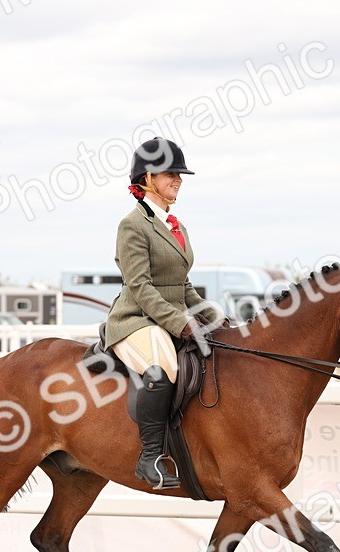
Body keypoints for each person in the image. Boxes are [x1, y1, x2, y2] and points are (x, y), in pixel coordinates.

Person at [106, 137, 225, 489]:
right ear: (147, 179)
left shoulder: (176, 225)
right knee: (163, 367)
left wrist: (212, 316)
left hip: (168, 317)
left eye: (180, 174)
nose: (179, 179)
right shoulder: (132, 225)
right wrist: (181, 324)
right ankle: (150, 457)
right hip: (135, 320)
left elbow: (182, 286)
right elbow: (141, 287)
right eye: (171, 173)